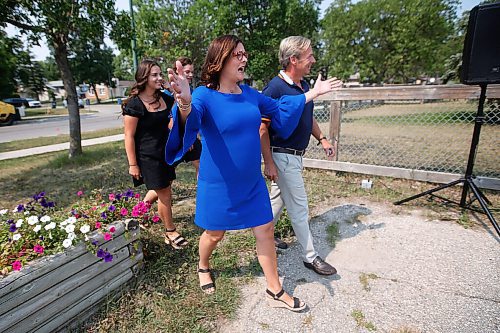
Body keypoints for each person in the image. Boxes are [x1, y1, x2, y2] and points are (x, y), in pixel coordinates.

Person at [165, 35, 339, 311]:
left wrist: (312, 94)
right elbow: (188, 122)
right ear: (220, 59)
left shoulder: (250, 94)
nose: (244, 58)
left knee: (266, 229)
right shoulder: (203, 96)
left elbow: (281, 110)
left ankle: (275, 288)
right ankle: (203, 265)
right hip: (219, 183)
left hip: (251, 181)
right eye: (238, 54)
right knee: (215, 234)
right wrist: (184, 102)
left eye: (245, 54)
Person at [259, 36, 342, 276]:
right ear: (293, 60)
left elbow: (308, 115)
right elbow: (262, 128)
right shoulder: (274, 88)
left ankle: (265, 235)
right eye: (309, 56)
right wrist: (269, 162)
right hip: (282, 156)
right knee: (299, 207)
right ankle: (310, 257)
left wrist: (322, 138)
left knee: (277, 200)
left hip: (295, 156)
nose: (313, 60)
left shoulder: (304, 86)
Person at [122, 59, 188, 250]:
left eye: (160, 74)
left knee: (162, 188)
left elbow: (180, 113)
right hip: (147, 156)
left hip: (166, 153)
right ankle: (170, 231)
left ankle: (138, 213)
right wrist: (132, 164)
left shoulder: (164, 99)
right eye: (155, 75)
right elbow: (129, 136)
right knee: (165, 194)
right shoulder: (134, 105)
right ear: (144, 77)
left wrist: (172, 89)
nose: (159, 78)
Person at [143, 56, 201, 204]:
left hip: (188, 137)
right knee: (165, 181)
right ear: (176, 71)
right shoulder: (166, 94)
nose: (190, 75)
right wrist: (184, 139)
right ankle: (143, 207)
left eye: (191, 72)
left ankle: (204, 198)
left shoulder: (190, 90)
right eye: (187, 71)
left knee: (202, 165)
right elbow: (171, 119)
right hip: (172, 140)